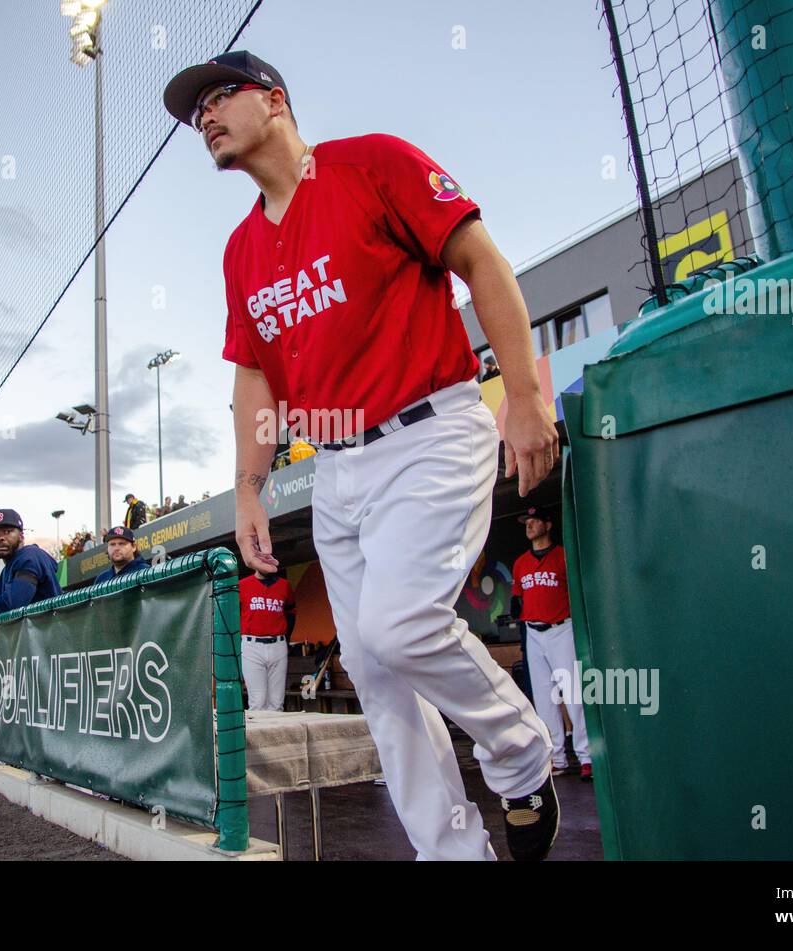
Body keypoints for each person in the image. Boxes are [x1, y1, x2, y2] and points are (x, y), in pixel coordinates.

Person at [165, 51, 561, 861]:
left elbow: (481, 258)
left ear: (274, 100)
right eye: (193, 109)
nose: (202, 116)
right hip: (337, 465)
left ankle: (521, 752)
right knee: (377, 679)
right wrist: (248, 487)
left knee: (397, 625)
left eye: (217, 96)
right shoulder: (242, 249)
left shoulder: (372, 162)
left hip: (430, 429)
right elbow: (253, 381)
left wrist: (522, 394)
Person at [511, 506, 590, 781]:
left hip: (561, 629)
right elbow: (518, 598)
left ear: (548, 524)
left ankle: (586, 756)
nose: (528, 525)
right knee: (544, 700)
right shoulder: (521, 562)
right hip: (533, 631)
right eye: (526, 521)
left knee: (574, 694)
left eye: (533, 521)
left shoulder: (563, 555)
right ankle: (557, 757)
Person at [239, 568, 296, 711]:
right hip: (251, 644)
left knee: (277, 703)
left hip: (278, 643)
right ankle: (258, 734)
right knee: (258, 701)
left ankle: (277, 734)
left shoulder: (284, 585)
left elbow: (291, 613)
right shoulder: (242, 585)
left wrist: (286, 639)